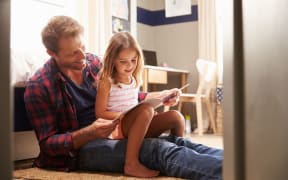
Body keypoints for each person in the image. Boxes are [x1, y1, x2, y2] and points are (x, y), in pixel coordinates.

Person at [24, 15, 223, 179]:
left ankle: (242, 160)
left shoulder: (93, 63)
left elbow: (123, 94)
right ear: (52, 53)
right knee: (158, 149)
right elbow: (48, 145)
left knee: (179, 142)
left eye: (82, 47)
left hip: (119, 128)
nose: (82, 56)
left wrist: (158, 96)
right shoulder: (39, 87)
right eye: (72, 54)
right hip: (81, 149)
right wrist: (90, 132)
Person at [96, 31, 185, 177]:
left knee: (176, 117)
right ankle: (131, 164)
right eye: (123, 61)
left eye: (133, 60)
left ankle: (178, 157)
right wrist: (124, 115)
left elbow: (136, 102)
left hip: (136, 125)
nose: (129, 66)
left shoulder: (135, 79)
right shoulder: (106, 81)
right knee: (146, 110)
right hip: (119, 127)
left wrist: (160, 100)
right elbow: (99, 113)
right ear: (112, 60)